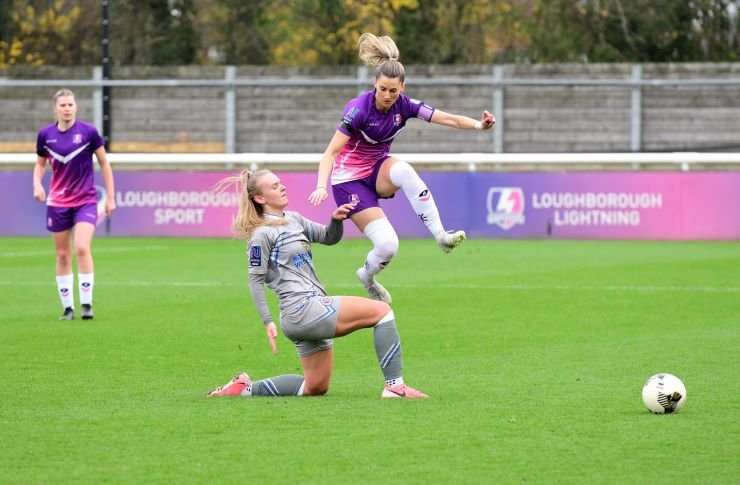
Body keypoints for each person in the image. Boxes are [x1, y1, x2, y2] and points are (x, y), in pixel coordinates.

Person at [308, 32, 495, 304]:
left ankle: (441, 237)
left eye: (393, 91)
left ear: (402, 89)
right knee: (388, 246)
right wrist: (320, 186)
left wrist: (479, 125)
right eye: (382, 89)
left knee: (405, 170)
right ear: (375, 83)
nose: (386, 95)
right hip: (348, 182)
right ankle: (367, 277)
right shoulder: (359, 110)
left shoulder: (405, 106)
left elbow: (449, 119)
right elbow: (330, 152)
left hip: (377, 170)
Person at [207, 169, 427, 399]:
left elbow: (329, 237)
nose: (282, 187)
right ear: (260, 199)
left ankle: (245, 389)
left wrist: (336, 219)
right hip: (302, 309)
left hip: (305, 312)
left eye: (280, 182)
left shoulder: (294, 219)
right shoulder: (262, 234)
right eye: (274, 186)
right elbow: (255, 278)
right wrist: (267, 321)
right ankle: (395, 387)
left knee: (315, 387)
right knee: (382, 312)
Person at [33, 89, 116, 320]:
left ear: (76, 107)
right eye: (63, 105)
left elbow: (104, 164)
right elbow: (40, 164)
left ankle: (87, 304)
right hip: (57, 202)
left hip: (86, 200)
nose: (67, 108)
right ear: (55, 109)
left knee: (81, 247)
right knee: (62, 254)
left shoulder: (89, 132)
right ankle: (68, 309)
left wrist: (110, 197)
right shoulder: (45, 135)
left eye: (71, 104)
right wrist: (37, 184)